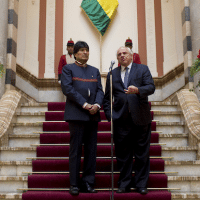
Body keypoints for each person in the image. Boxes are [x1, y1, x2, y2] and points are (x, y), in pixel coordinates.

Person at [103, 47, 155, 194]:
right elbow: (107, 99)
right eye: (119, 54)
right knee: (123, 155)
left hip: (141, 118)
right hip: (120, 120)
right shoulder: (112, 74)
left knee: (141, 154)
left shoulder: (142, 69)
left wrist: (138, 90)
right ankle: (124, 183)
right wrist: (110, 116)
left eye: (124, 53)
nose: (122, 56)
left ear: (131, 56)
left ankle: (141, 184)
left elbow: (151, 87)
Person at [61, 41, 104, 195]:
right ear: (76, 53)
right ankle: (74, 184)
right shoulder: (68, 69)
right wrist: (85, 105)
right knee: (76, 151)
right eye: (82, 50)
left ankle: (88, 183)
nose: (85, 53)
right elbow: (68, 89)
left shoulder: (95, 71)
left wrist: (97, 105)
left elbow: (100, 90)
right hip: (77, 115)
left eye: (87, 50)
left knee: (91, 151)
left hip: (93, 116)